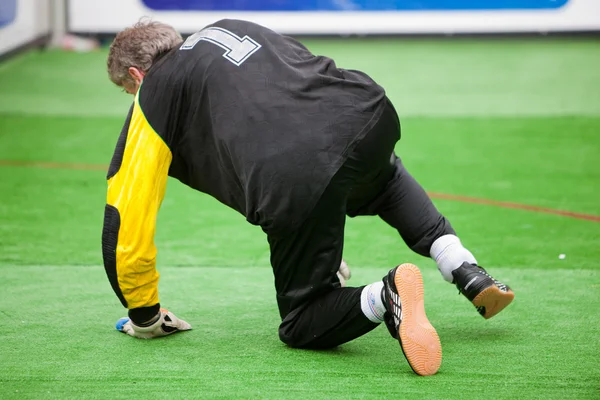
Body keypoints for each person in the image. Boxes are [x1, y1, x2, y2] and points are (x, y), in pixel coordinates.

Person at [102, 18, 514, 376]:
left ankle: (386, 296)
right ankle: (464, 267)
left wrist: (144, 314)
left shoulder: (153, 96)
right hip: (366, 110)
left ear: (138, 76)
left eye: (127, 91)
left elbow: (127, 214)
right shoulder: (231, 28)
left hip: (294, 175)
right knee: (383, 180)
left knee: (300, 322)